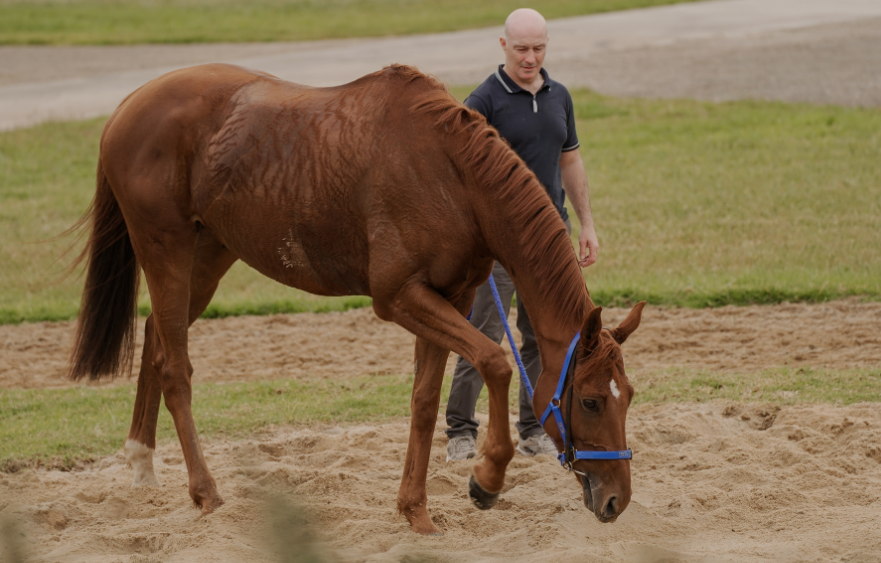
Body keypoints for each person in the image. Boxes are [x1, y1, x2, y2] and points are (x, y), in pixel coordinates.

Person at [445, 8, 599, 461]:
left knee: (544, 336)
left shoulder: (559, 96)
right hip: (500, 246)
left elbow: (569, 161)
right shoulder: (483, 102)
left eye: (539, 48)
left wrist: (586, 223)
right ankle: (460, 429)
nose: (530, 58)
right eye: (521, 49)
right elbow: (459, 176)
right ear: (503, 46)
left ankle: (533, 427)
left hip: (552, 243)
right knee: (485, 332)